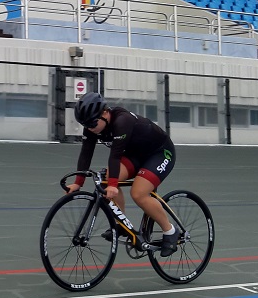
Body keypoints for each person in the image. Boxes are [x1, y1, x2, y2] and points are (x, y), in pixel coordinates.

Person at [68, 91, 180, 256]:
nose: (90, 128)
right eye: (86, 125)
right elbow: (86, 153)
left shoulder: (122, 120)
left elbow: (115, 155)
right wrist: (79, 182)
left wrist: (113, 185)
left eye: (92, 123)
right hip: (134, 154)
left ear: (105, 113)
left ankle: (170, 231)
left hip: (159, 153)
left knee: (138, 193)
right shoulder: (92, 127)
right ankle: (121, 224)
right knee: (107, 181)